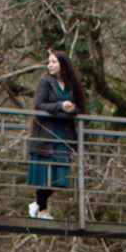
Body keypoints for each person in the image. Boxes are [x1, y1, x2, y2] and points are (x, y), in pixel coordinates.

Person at [27, 49, 87, 219]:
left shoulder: (70, 84)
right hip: (47, 134)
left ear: (63, 64)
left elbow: (79, 108)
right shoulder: (46, 82)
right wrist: (60, 106)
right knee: (46, 173)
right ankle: (42, 208)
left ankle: (38, 204)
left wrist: (71, 108)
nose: (50, 65)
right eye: (49, 62)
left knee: (60, 175)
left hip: (64, 133)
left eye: (54, 62)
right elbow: (39, 105)